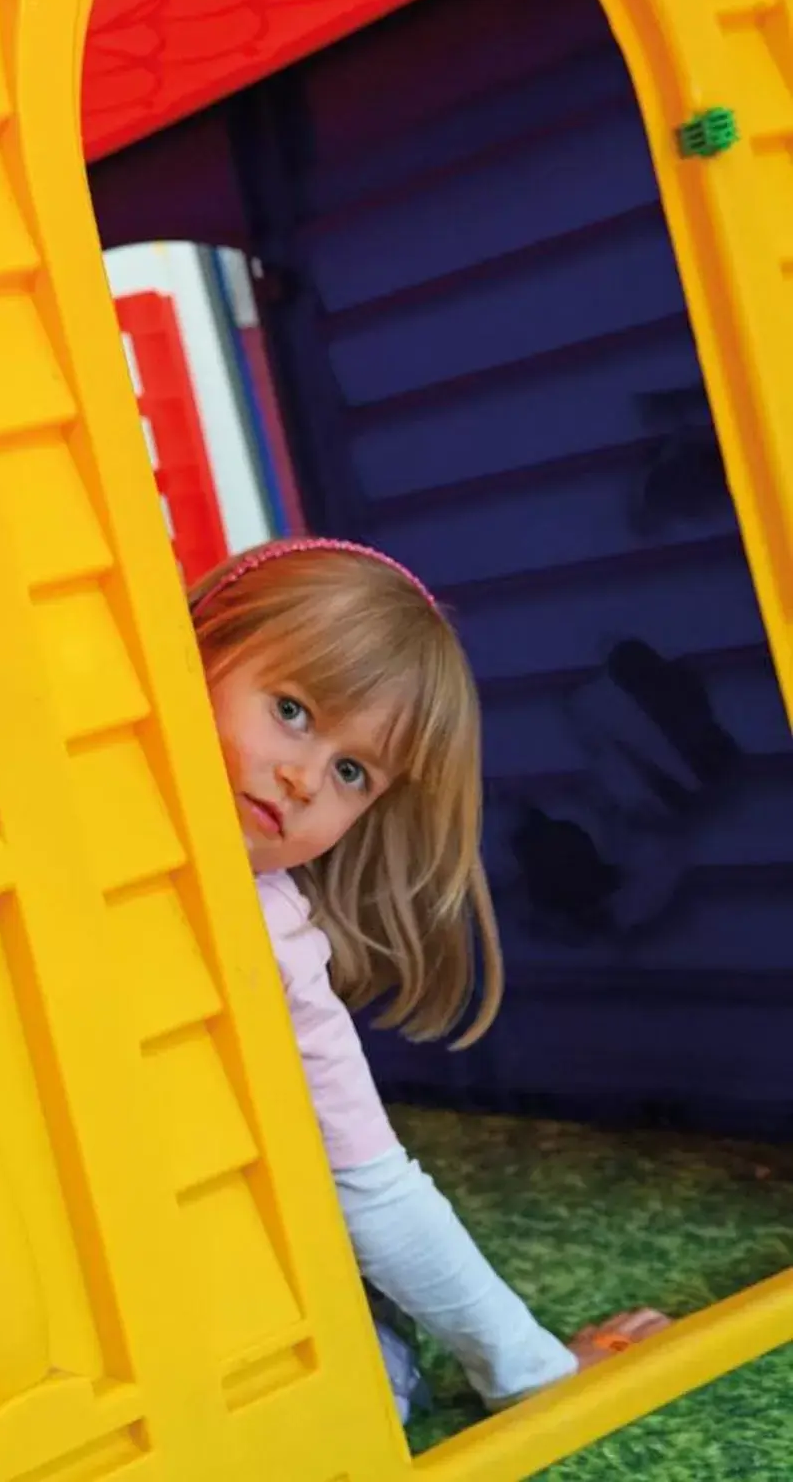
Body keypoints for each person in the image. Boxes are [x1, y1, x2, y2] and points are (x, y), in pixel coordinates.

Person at [191, 537, 669, 1419]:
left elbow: (371, 1184)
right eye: (291, 709)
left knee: (359, 1379)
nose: (302, 778)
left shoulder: (274, 938)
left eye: (350, 772)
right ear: (202, 646)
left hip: (190, 1285)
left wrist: (534, 1372)